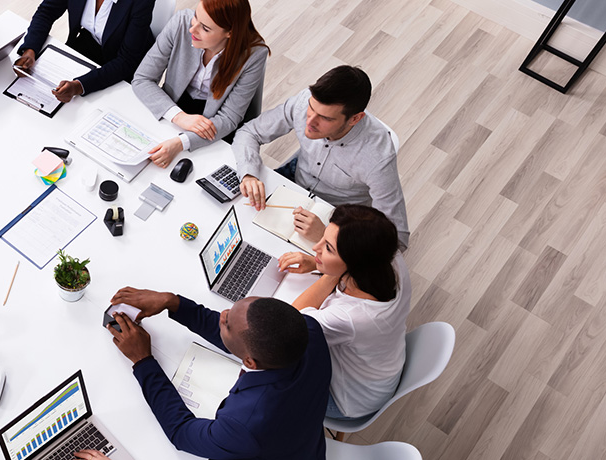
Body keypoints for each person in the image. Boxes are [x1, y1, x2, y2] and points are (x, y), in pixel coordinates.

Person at [105, 288, 330, 459]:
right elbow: (245, 338)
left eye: (227, 323)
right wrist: (173, 303)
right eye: (231, 309)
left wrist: (142, 360)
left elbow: (181, 432)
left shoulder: (244, 426)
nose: (222, 314)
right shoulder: (307, 330)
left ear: (250, 363)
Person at [232, 65, 411, 245]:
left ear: (355, 119)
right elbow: (249, 132)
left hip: (339, 214)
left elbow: (397, 237)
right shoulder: (305, 102)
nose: (309, 121)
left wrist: (327, 236)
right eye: (312, 108)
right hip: (295, 181)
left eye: (325, 118)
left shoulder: (377, 158)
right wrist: (248, 174)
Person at [277, 204, 410, 421]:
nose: (315, 248)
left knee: (269, 368)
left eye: (328, 248)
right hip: (378, 368)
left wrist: (328, 271)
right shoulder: (389, 257)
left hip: (348, 400)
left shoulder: (351, 317)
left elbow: (288, 323)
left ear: (354, 265)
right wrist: (321, 264)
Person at [132, 0, 268, 168]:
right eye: (196, 17)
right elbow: (142, 79)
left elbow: (229, 118)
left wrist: (181, 142)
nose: (192, 29)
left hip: (215, 124)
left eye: (205, 28)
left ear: (230, 33)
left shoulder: (254, 55)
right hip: (172, 106)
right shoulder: (181, 23)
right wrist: (179, 116)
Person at [13, 0, 155, 102]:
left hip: (123, 63)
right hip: (87, 46)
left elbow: (127, 60)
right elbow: (47, 11)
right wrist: (30, 49)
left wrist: (80, 86)